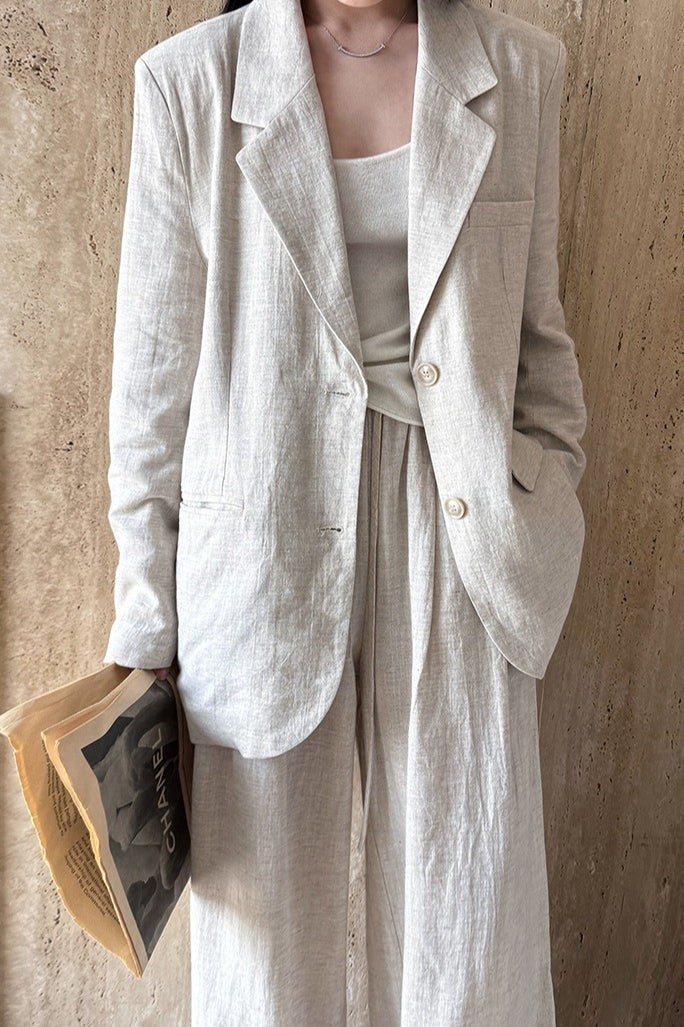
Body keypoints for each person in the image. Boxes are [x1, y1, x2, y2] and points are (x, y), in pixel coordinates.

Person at [104, 0, 588, 1023]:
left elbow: (541, 340)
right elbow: (151, 396)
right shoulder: (190, 84)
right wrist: (144, 633)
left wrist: (542, 499)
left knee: (468, 932)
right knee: (266, 959)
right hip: (262, 541)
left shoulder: (518, 69)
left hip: (460, 531)